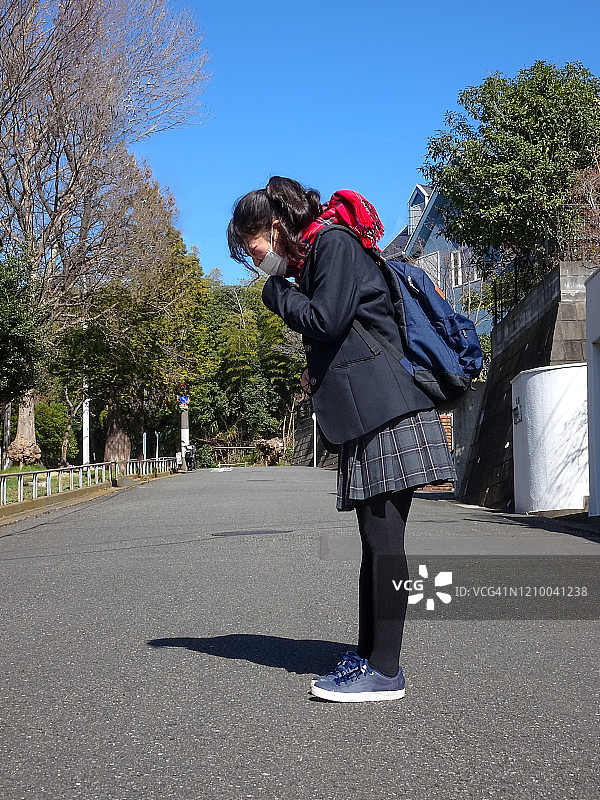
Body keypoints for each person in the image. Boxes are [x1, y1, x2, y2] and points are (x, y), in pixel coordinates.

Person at [227, 176, 456, 702]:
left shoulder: (331, 244)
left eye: (255, 249)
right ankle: (369, 655)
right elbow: (344, 329)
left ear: (277, 228)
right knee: (374, 544)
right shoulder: (319, 255)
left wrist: (273, 293)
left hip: (389, 411)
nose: (256, 261)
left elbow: (326, 320)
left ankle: (387, 670)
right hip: (372, 413)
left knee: (385, 542)